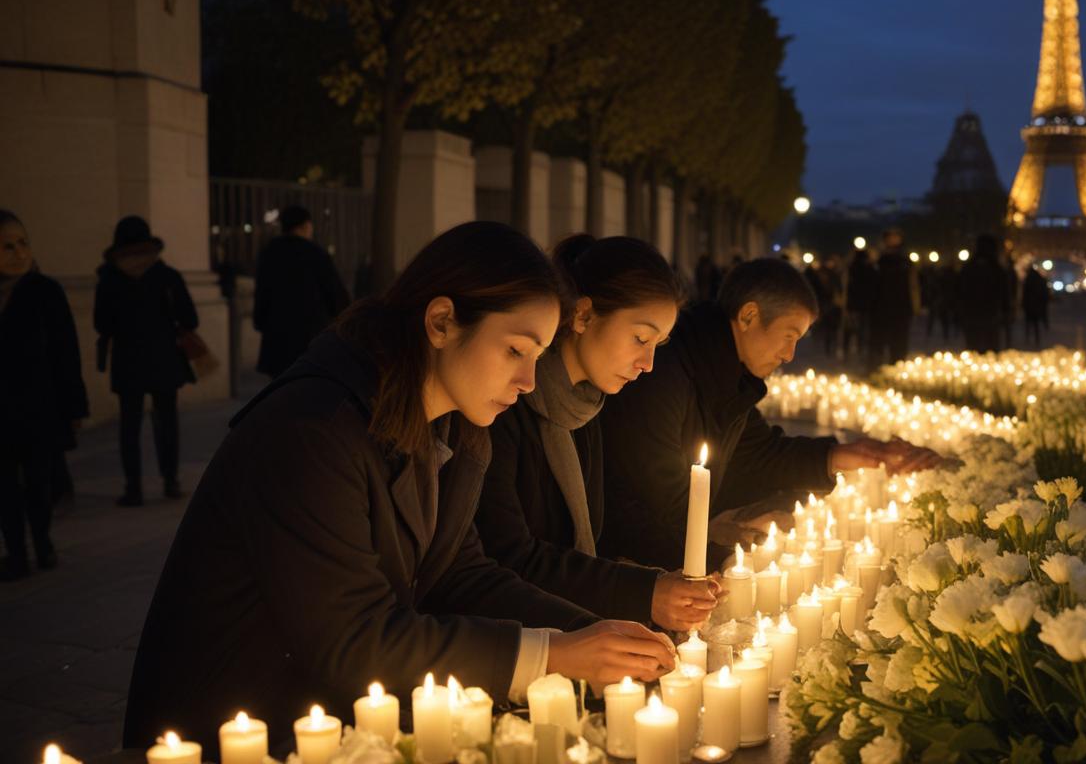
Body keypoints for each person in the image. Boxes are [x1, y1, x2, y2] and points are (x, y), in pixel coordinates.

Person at [123, 221, 676, 759]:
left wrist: (594, 634)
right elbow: (354, 639)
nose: (529, 381)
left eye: (538, 357)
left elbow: (462, 574)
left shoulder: (457, 429)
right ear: (441, 321)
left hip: (342, 720)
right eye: (515, 351)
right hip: (235, 729)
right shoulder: (313, 431)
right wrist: (555, 653)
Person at [598, 257, 944, 572]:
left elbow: (757, 452)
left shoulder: (721, 371)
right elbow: (652, 506)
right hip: (628, 564)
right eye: (789, 336)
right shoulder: (665, 374)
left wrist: (840, 455)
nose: (790, 355)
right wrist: (725, 550)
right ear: (749, 316)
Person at [476, 235, 721, 633]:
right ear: (584, 315)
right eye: (641, 339)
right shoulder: (504, 405)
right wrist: (644, 592)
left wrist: (663, 581)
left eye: (658, 345)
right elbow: (508, 555)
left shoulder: (586, 407)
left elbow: (601, 536)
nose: (648, 364)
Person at [0, 210, 89, 580]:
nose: (19, 253)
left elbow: (66, 353)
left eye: (23, 243)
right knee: (4, 488)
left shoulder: (44, 291)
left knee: (39, 483)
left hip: (39, 409)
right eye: (6, 246)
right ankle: (16, 553)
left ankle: (43, 544)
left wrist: (73, 408)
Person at [94, 216, 197, 506]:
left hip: (127, 361)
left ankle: (133, 487)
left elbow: (101, 323)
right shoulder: (167, 276)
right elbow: (190, 318)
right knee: (167, 422)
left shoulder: (109, 278)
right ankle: (170, 481)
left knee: (129, 426)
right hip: (164, 359)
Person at [253, 205, 351, 379]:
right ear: (305, 225)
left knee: (280, 392)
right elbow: (335, 296)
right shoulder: (315, 254)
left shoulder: (270, 254)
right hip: (310, 337)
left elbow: (262, 294)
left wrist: (261, 322)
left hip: (277, 336)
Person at [869, 228, 916, 369]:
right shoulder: (880, 261)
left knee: (899, 343)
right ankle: (877, 369)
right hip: (881, 308)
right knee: (879, 342)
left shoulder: (905, 261)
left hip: (901, 307)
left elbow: (912, 285)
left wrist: (914, 304)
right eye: (891, 237)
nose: (893, 240)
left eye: (896, 237)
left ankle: (897, 368)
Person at [956, 235, 1007, 353]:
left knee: (974, 345)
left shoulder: (969, 267)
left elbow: (960, 289)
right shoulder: (996, 268)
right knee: (991, 345)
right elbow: (1003, 290)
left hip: (973, 312)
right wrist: (1005, 309)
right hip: (989, 312)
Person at [845, 249, 877, 358]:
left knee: (852, 328)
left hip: (854, 304)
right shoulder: (870, 269)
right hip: (866, 304)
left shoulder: (852, 269)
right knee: (862, 328)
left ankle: (849, 349)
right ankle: (861, 347)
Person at [1021, 264, 1050, 348]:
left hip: (1029, 305)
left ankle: (1027, 339)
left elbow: (1025, 293)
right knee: (1035, 324)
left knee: (1028, 324)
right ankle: (1036, 340)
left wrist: (1023, 303)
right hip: (1036, 305)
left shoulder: (1028, 279)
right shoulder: (1039, 279)